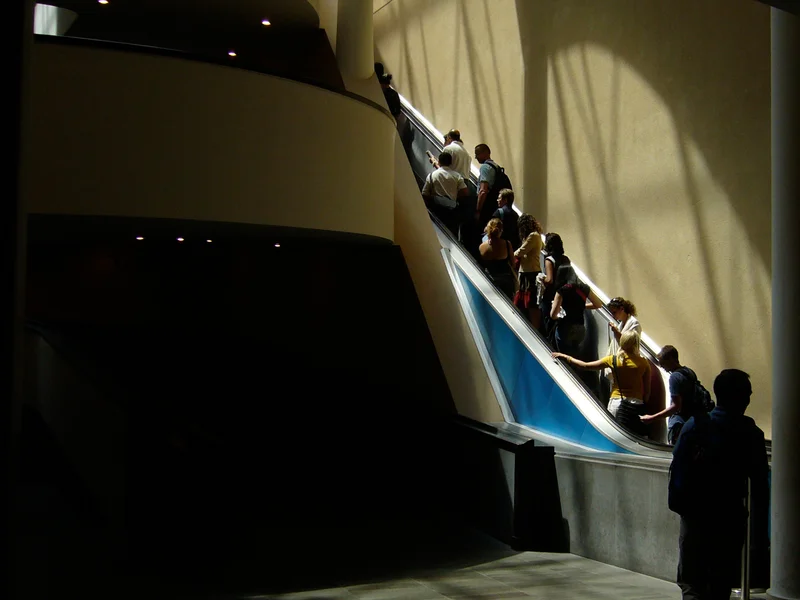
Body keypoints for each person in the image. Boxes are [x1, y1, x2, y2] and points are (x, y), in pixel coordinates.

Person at [669, 369, 768, 600]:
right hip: (729, 522)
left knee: (692, 585)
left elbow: (677, 475)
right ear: (742, 397)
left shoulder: (693, 427)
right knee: (720, 585)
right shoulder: (751, 434)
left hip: (695, 520)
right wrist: (760, 539)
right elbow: (761, 489)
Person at [552, 330, 651, 431]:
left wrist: (566, 357)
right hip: (636, 405)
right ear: (636, 343)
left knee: (613, 432)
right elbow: (647, 391)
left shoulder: (613, 360)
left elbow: (585, 366)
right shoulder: (644, 363)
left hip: (617, 403)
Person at [642, 345, 707, 445]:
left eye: (663, 363)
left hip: (680, 424)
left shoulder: (674, 378)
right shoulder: (689, 372)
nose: (662, 367)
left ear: (671, 359)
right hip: (693, 421)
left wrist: (652, 418)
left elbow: (676, 406)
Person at [549, 264, 603, 356]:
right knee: (575, 354)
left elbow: (553, 315)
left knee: (563, 355)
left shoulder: (562, 290)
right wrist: (581, 306)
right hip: (580, 328)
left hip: (565, 328)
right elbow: (598, 304)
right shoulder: (584, 288)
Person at [421, 152, 468, 237]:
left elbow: (424, 194)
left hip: (436, 208)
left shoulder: (432, 175)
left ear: (439, 161)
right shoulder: (457, 176)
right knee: (450, 234)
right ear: (450, 163)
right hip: (451, 210)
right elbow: (465, 191)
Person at [474, 143, 512, 234]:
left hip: (487, 207)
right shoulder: (497, 167)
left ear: (485, 153)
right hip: (494, 206)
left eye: (477, 154)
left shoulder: (485, 167)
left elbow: (483, 191)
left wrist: (478, 211)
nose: (476, 157)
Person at [514, 214, 543, 329]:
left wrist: (511, 254)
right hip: (527, 272)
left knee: (531, 304)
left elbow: (521, 251)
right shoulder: (535, 236)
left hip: (530, 273)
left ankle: (535, 329)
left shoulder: (533, 236)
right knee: (526, 304)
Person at [539, 233, 570, 337]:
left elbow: (550, 280)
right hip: (564, 296)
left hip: (550, 297)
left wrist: (542, 278)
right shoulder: (566, 259)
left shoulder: (549, 260)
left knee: (549, 321)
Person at [479, 218, 517, 300]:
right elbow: (513, 264)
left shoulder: (482, 247)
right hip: (505, 281)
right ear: (501, 230)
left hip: (489, 280)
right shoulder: (506, 244)